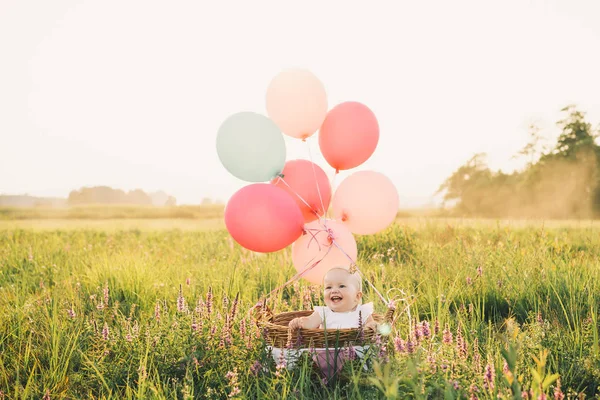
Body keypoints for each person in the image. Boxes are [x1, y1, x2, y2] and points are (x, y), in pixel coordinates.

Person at [288, 267, 378, 331]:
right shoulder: (323, 312)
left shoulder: (362, 312)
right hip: (327, 353)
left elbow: (370, 325)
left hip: (356, 352)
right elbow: (310, 322)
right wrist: (300, 322)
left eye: (341, 286)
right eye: (328, 287)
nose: (334, 290)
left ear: (357, 296)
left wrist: (372, 325)